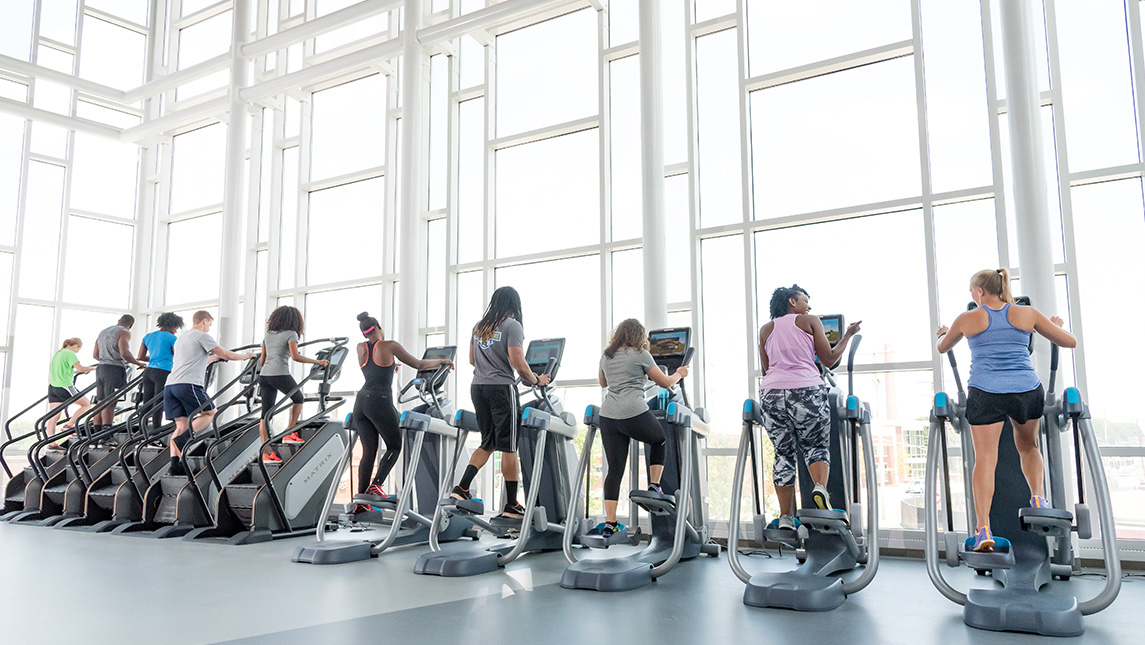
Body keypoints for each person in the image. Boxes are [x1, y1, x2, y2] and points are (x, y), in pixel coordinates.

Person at [936, 268, 1076, 552]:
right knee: (1028, 446)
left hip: (986, 391)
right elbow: (1069, 341)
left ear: (978, 292)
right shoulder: (1028, 314)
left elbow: (942, 348)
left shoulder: (968, 318)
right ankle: (1037, 497)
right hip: (1026, 389)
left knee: (986, 458)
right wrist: (1055, 324)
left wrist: (944, 333)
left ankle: (983, 528)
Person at [758, 284, 860, 531]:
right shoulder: (810, 321)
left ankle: (785, 517)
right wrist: (847, 336)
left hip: (771, 393)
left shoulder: (765, 330)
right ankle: (819, 489)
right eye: (805, 300)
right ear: (792, 301)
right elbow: (829, 359)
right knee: (815, 447)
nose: (809, 305)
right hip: (806, 390)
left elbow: (766, 368)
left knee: (783, 453)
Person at [450, 286, 551, 518]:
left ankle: (461, 488)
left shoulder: (479, 326)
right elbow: (518, 362)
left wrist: (490, 365)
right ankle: (512, 504)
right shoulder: (512, 325)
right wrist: (537, 380)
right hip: (501, 389)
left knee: (488, 442)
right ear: (514, 304)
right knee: (509, 445)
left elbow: (471, 359)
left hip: (478, 387)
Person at [351, 312, 453, 513]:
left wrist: (391, 366)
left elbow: (374, 370)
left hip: (361, 402)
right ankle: (376, 485)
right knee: (395, 445)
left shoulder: (360, 347)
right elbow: (419, 364)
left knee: (369, 451)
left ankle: (361, 503)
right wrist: (442, 361)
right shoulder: (389, 345)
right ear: (378, 326)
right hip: (379, 400)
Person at [596, 319, 689, 537]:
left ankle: (610, 523)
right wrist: (680, 373)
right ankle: (654, 485)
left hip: (608, 416)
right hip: (633, 412)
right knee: (659, 439)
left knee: (614, 470)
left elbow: (603, 383)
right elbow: (666, 383)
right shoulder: (641, 354)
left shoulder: (606, 355)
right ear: (639, 336)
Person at [164, 311, 255, 476]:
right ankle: (184, 439)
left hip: (170, 385)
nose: (209, 328)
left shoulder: (182, 339)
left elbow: (197, 360)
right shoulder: (201, 336)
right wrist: (245, 356)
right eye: (210, 325)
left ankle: (174, 465)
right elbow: (226, 353)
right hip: (188, 384)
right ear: (204, 321)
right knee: (210, 414)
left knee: (181, 425)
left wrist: (214, 358)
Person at [256, 306, 329, 462]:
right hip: (280, 373)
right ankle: (290, 432)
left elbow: (262, 361)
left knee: (265, 414)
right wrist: (318, 361)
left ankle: (266, 453)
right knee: (298, 398)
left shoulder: (268, 335)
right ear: (295, 321)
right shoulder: (291, 334)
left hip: (264, 376)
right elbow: (296, 357)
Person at [92, 315, 147, 433]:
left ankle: (97, 432)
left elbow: (95, 355)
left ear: (118, 321)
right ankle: (106, 433)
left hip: (101, 368)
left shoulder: (103, 332)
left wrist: (109, 360)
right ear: (130, 325)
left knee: (100, 401)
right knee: (110, 402)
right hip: (114, 370)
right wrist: (139, 363)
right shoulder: (124, 332)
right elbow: (124, 352)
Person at [137, 313, 184, 433]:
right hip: (163, 371)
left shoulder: (148, 336)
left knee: (146, 402)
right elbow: (178, 355)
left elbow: (140, 357)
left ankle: (142, 433)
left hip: (149, 372)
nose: (176, 331)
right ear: (172, 325)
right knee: (159, 403)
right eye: (176, 328)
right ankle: (155, 432)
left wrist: (154, 358)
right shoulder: (172, 338)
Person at [45, 338, 96, 443]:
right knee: (86, 404)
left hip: (53, 387)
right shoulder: (69, 353)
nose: (77, 351)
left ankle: (51, 444)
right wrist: (95, 368)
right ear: (75, 346)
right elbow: (81, 368)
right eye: (78, 349)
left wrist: (74, 372)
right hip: (65, 386)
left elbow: (63, 370)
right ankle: (69, 425)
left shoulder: (58, 354)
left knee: (54, 416)